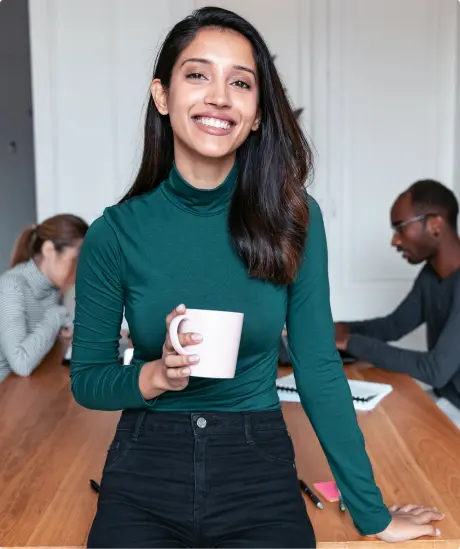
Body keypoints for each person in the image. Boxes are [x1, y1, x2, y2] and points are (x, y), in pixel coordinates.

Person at [70, 7, 443, 548]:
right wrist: (155, 376)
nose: (219, 95)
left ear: (258, 112)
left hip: (258, 460)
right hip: (148, 460)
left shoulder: (295, 218)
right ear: (162, 96)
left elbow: (317, 367)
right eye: (197, 74)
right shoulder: (115, 233)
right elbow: (88, 379)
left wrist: (373, 514)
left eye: (240, 82)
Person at [335, 180, 460, 409]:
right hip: (446, 400)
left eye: (400, 227)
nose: (395, 240)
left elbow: (435, 370)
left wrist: (351, 342)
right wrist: (342, 328)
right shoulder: (430, 275)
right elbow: (394, 326)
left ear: (435, 225)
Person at [0, 214, 88, 383]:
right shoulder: (12, 287)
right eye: (75, 260)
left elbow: (42, 339)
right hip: (6, 395)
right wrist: (58, 315)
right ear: (48, 250)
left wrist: (68, 327)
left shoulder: (53, 287)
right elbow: (22, 363)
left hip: (28, 385)